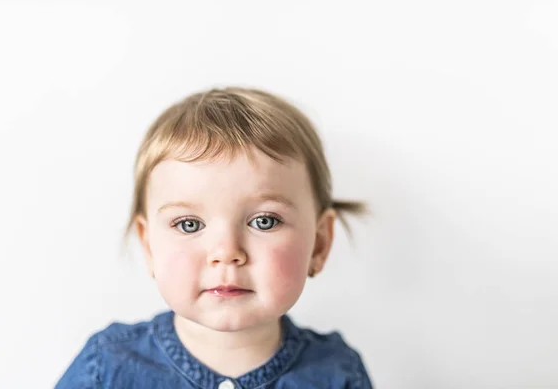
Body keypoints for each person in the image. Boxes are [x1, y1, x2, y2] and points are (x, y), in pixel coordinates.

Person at [56, 87, 374, 388]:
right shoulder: (105, 369)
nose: (226, 253)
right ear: (149, 245)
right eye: (189, 224)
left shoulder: (336, 373)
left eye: (264, 221)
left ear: (319, 243)